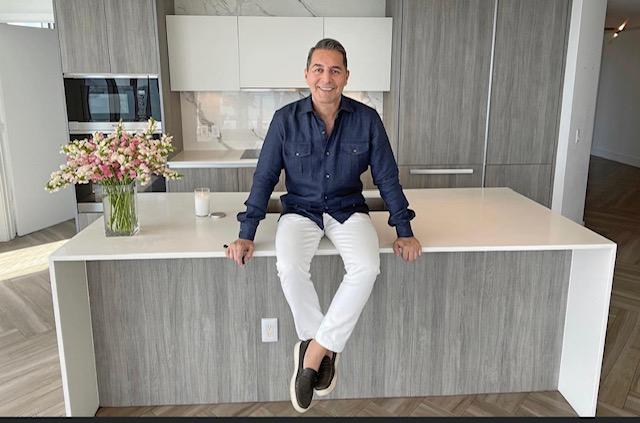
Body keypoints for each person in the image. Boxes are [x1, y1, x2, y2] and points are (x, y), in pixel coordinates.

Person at [225, 38, 422, 413]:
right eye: (318, 69)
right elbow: (265, 177)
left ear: (346, 76)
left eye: (334, 70)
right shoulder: (285, 119)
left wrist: (404, 231)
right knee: (288, 266)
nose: (326, 78)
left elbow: (387, 178)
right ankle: (324, 348)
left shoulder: (367, 119)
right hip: (300, 210)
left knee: (367, 266)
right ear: (306, 74)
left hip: (348, 208)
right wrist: (245, 234)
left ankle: (313, 352)